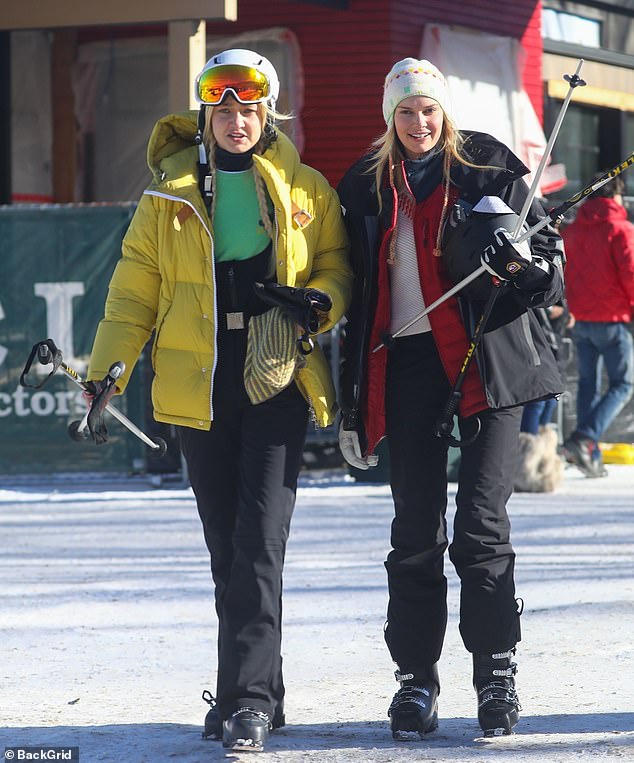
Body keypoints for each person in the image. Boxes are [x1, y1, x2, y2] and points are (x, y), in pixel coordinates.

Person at [86, 48, 351, 752]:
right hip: (196, 382)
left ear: (269, 112)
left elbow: (334, 263)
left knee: (260, 545)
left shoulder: (304, 188)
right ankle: (254, 686)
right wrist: (108, 370)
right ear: (206, 115)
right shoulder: (167, 197)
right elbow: (134, 292)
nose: (237, 120)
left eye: (250, 107)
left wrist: (323, 300)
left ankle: (248, 700)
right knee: (226, 550)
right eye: (224, 108)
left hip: (274, 372)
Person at [337, 58, 564, 739]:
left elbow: (549, 268)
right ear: (390, 119)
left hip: (488, 363)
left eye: (428, 109)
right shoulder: (364, 187)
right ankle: (416, 680)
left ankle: (496, 672)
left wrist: (523, 261)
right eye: (405, 111)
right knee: (414, 528)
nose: (418, 122)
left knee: (481, 523)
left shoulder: (489, 167)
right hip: (407, 365)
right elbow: (350, 286)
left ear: (446, 113)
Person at [560, 174, 634, 478]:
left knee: (588, 385)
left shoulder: (572, 231)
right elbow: (631, 274)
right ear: (616, 196)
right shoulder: (621, 229)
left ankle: (589, 455)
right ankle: (584, 438)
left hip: (581, 318)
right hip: (614, 319)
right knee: (624, 383)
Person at [514, 301, 573, 492]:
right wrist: (553, 310)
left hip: (553, 341)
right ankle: (524, 470)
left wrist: (564, 313)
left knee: (549, 403)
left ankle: (541, 468)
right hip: (536, 339)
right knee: (536, 402)